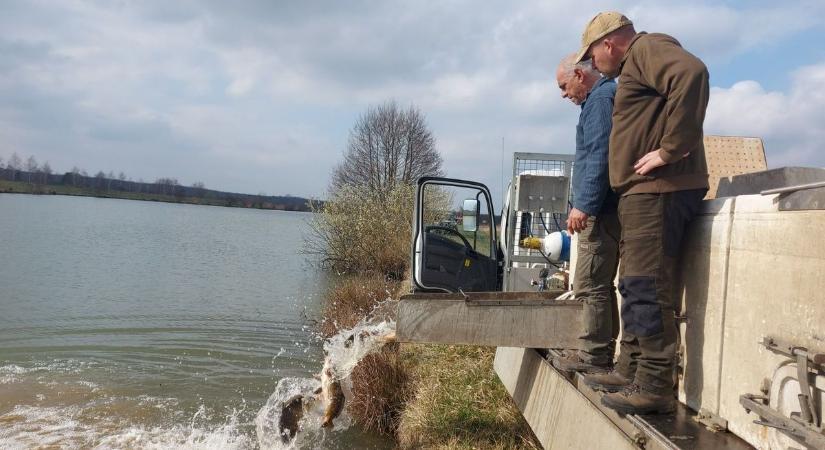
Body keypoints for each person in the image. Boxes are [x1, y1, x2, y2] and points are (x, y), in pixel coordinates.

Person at [572, 11, 710, 415]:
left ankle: (653, 384)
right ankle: (630, 368)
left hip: (658, 191)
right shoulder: (635, 62)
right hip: (642, 193)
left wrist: (671, 149)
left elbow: (693, 73)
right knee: (634, 285)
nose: (591, 64)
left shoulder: (647, 48)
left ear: (608, 44)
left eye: (591, 55)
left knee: (645, 286)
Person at [551, 54, 620, 374]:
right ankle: (600, 351)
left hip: (600, 210)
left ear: (580, 74)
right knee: (599, 284)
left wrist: (584, 205)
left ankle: (594, 355)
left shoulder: (600, 101)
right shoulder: (603, 98)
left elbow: (598, 155)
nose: (564, 94)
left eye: (564, 86)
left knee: (591, 283)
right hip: (605, 206)